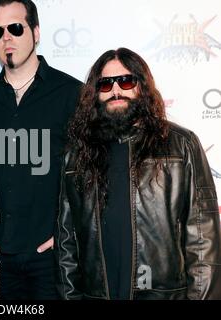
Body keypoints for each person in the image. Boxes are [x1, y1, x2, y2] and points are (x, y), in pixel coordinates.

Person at [55, 47, 221, 300]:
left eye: (126, 81)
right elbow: (67, 242)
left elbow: (203, 240)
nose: (116, 91)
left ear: (142, 87)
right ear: (94, 93)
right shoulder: (77, 155)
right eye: (105, 84)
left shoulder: (181, 144)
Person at [0, 0, 81, 300]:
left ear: (36, 32)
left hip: (53, 256)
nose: (6, 38)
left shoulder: (71, 94)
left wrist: (66, 234)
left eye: (15, 28)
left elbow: (88, 175)